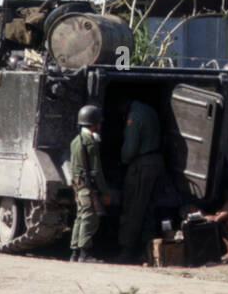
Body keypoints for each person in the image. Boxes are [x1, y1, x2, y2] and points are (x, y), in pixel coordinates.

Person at [118, 99, 164, 263]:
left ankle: (127, 250)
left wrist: (122, 161)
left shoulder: (133, 116)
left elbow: (130, 148)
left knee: (133, 208)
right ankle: (148, 251)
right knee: (149, 209)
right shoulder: (149, 110)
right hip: (157, 162)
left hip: (141, 166)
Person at [69, 104, 110, 263]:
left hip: (79, 186)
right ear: (93, 124)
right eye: (98, 123)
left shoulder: (75, 141)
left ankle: (75, 253)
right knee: (89, 219)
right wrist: (104, 192)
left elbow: (73, 168)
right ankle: (85, 254)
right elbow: (96, 171)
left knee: (80, 218)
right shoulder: (90, 143)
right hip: (89, 187)